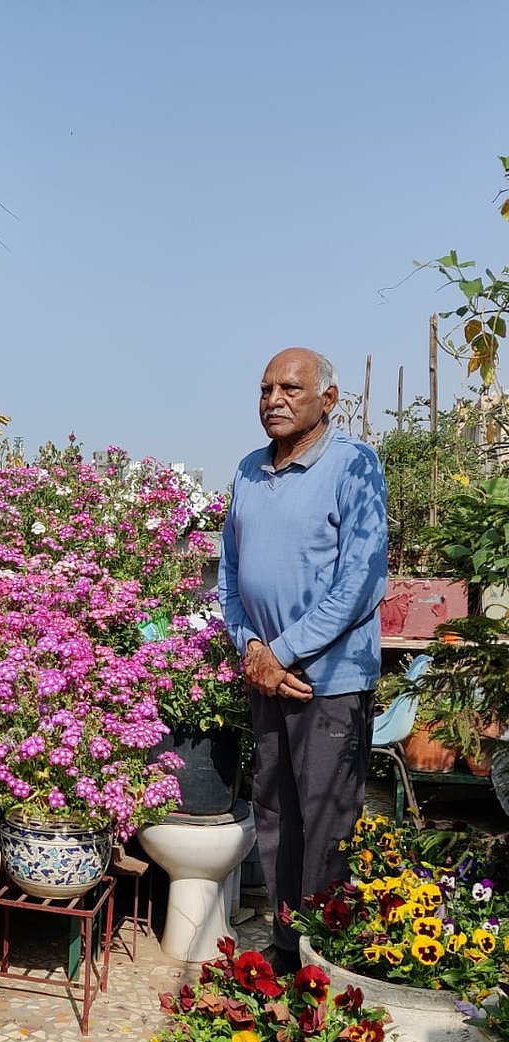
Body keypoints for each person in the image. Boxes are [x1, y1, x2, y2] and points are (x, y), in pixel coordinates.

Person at [218, 347, 387, 974]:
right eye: (265, 389)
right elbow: (230, 576)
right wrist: (251, 647)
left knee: (325, 825)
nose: (274, 400)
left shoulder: (354, 466)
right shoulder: (247, 470)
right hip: (266, 674)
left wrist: (279, 651)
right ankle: (288, 950)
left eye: (290, 388)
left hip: (328, 683)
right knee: (277, 816)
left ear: (328, 399)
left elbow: (363, 581)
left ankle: (326, 966)